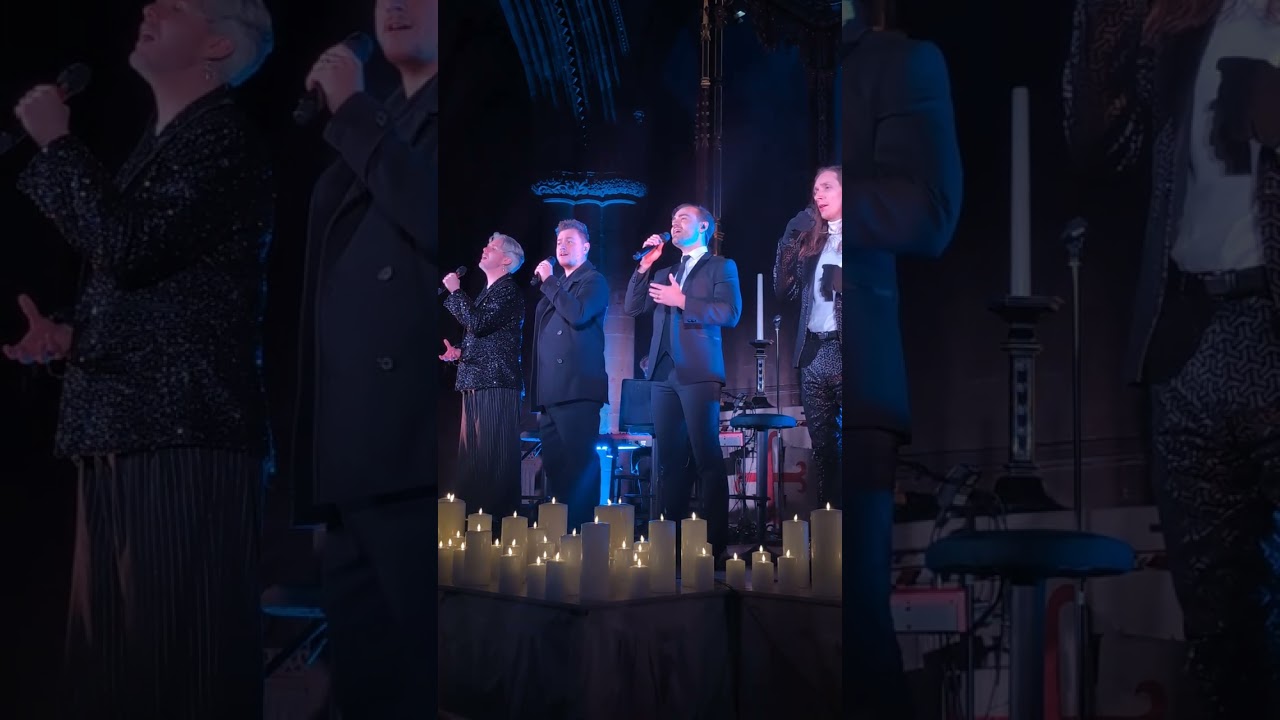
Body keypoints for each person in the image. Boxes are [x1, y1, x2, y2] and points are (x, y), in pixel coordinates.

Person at [2, 1, 275, 717]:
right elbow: (160, 287)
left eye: (177, 4)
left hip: (182, 430)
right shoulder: (165, 142)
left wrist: (57, 146)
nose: (151, 6)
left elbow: (127, 247)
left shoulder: (223, 139)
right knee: (115, 668)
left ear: (216, 42)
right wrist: (70, 334)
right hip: (127, 424)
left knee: (175, 667)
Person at [1064, 0, 1280, 716]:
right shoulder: (1180, 19)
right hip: (1187, 338)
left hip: (1270, 327)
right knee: (1219, 632)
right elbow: (1100, 153)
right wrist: (1103, 26)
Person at [296, 0, 439, 716]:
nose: (400, 6)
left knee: (411, 670)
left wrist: (352, 110)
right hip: (354, 447)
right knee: (363, 680)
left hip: (410, 445)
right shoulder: (388, 117)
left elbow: (435, 213)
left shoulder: (466, 116)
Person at [841, 1, 962, 717]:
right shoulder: (755, 69)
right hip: (782, 378)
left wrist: (826, 198)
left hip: (858, 381)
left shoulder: (900, 62)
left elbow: (930, 210)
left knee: (857, 631)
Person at [624, 204, 742, 562]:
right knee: (668, 462)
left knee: (706, 457)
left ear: (704, 226)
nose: (674, 224)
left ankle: (715, 543)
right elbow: (631, 308)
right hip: (662, 374)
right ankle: (668, 544)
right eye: (672, 219)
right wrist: (644, 266)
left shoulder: (721, 266)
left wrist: (683, 300)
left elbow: (729, 312)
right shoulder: (664, 270)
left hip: (698, 371)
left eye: (683, 219)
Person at [529, 220, 611, 532]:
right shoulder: (558, 285)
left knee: (579, 465)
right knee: (555, 467)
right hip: (551, 391)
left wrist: (548, 282)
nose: (562, 246)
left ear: (586, 247)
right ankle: (558, 533)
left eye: (570, 241)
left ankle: (582, 533)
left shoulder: (594, 280)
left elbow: (578, 314)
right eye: (559, 241)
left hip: (577, 388)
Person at [441, 232, 526, 522]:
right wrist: (460, 353)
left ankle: (497, 527)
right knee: (472, 462)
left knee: (493, 460)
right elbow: (487, 337)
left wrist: (455, 292)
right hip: (476, 381)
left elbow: (478, 323)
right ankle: (473, 525)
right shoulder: (489, 292)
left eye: (492, 247)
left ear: (507, 260)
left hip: (496, 383)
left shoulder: (508, 290)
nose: (484, 248)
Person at [773, 167, 844, 508]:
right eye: (815, 189)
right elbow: (782, 290)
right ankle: (830, 527)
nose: (818, 194)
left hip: (846, 351)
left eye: (827, 187)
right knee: (825, 449)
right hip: (813, 352)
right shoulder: (812, 243)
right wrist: (788, 240)